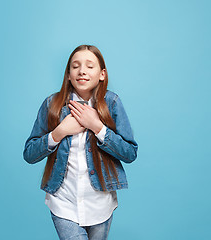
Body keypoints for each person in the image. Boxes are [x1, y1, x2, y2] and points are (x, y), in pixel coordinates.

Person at [23, 44, 138, 240]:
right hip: (63, 203)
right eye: (75, 66)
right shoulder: (52, 104)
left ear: (102, 74)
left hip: (101, 204)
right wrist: (59, 133)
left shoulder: (112, 103)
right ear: (68, 74)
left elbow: (129, 153)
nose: (82, 71)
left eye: (89, 66)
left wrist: (98, 127)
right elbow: (29, 154)